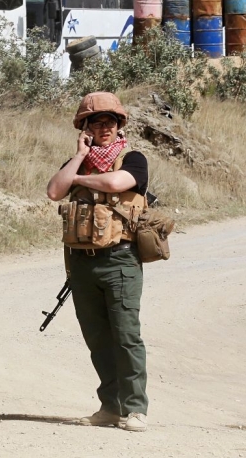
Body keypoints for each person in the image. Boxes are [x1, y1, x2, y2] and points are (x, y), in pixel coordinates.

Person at [46, 91, 150, 433]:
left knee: (125, 336)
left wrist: (78, 179)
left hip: (120, 260)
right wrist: (78, 158)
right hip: (82, 264)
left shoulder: (132, 158)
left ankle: (135, 409)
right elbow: (54, 191)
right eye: (96, 122)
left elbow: (115, 183)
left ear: (119, 127)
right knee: (97, 339)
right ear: (85, 128)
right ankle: (110, 406)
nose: (103, 128)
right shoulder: (78, 162)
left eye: (109, 122)